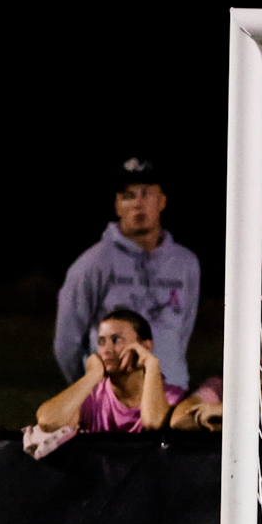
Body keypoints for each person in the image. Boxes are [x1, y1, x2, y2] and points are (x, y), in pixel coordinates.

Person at [55, 158, 202, 392]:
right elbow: (67, 343)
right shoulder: (93, 264)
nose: (138, 204)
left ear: (162, 201)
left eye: (146, 194)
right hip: (112, 398)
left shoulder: (186, 264)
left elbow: (182, 332)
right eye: (128, 196)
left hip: (169, 395)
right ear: (117, 206)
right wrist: (92, 392)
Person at [35, 309, 182, 435]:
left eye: (116, 340)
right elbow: (48, 422)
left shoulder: (173, 397)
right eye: (101, 342)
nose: (106, 349)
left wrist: (152, 364)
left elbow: (153, 422)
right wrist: (92, 375)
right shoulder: (92, 397)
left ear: (145, 346)